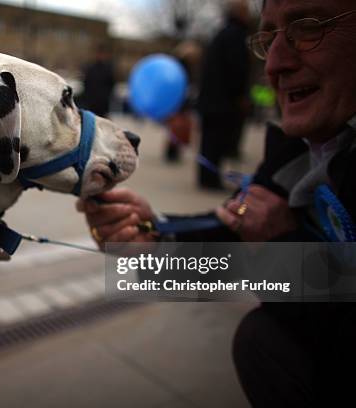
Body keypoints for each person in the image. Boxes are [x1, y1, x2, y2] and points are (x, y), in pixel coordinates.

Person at [77, 0, 356, 406]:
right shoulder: (296, 150)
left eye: (308, 26)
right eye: (269, 37)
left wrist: (282, 249)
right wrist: (154, 238)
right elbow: (237, 237)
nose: (274, 64)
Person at [196, 0, 251, 189]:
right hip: (223, 103)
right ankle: (210, 179)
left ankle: (206, 176)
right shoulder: (236, 36)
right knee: (215, 143)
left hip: (210, 101)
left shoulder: (220, 34)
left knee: (208, 143)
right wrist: (240, 95)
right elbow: (237, 69)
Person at [81, 44, 116, 118]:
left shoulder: (108, 69)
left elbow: (111, 85)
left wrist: (105, 97)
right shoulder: (90, 68)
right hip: (91, 103)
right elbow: (86, 83)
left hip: (103, 105)